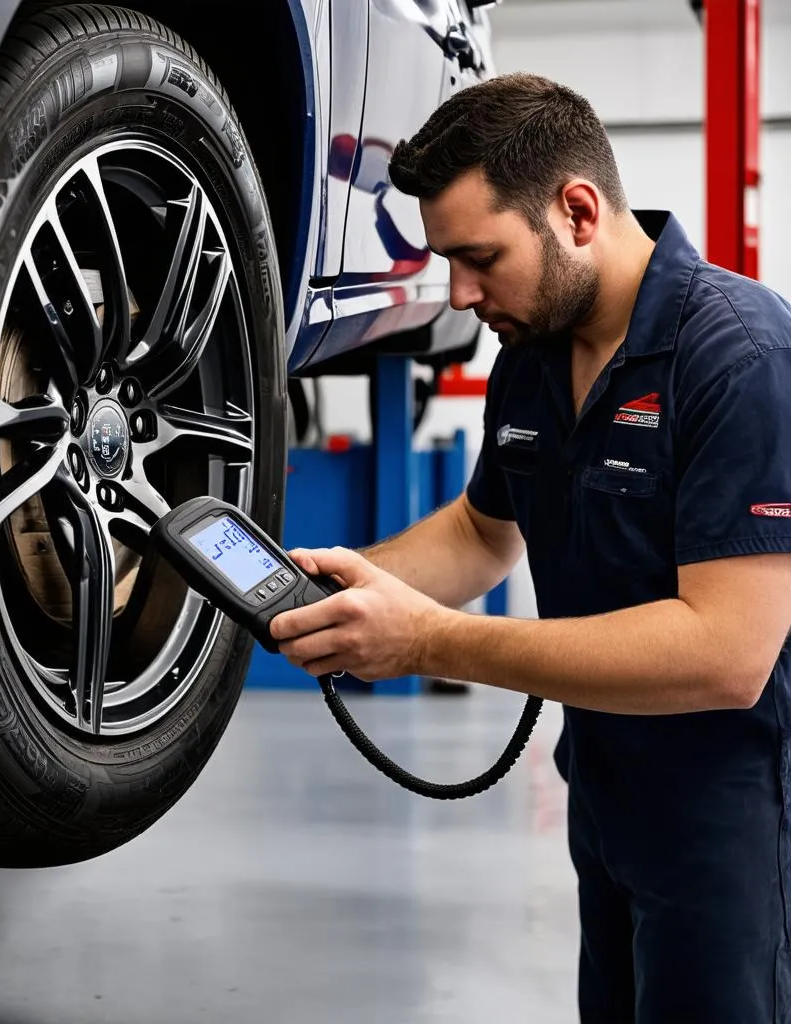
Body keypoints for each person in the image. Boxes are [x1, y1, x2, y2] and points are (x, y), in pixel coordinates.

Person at [269, 72, 791, 1023]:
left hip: (737, 820)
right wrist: (333, 588)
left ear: (578, 211)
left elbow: (728, 654)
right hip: (604, 792)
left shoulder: (741, 357)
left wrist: (428, 643)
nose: (463, 298)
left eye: (479, 258)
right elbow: (480, 532)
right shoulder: (533, 356)